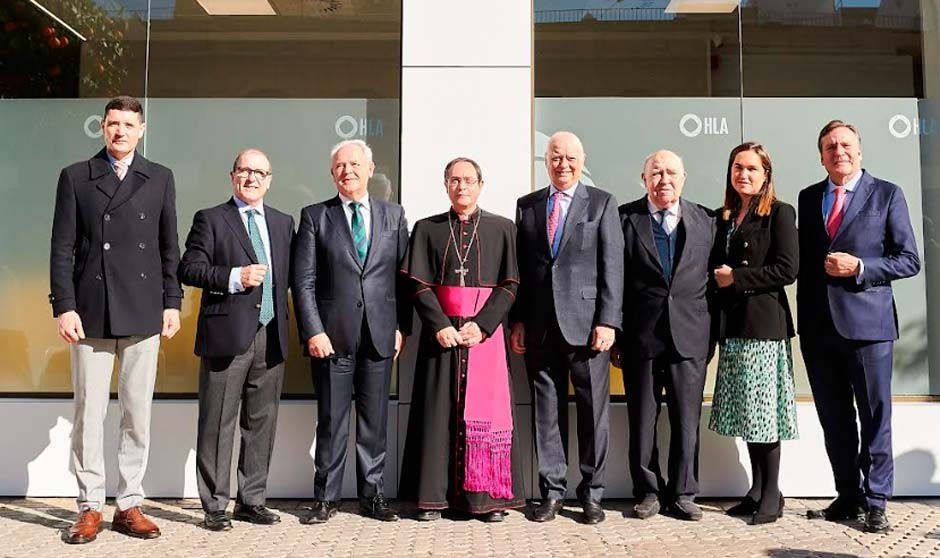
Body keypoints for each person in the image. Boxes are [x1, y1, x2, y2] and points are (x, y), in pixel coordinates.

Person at [49, 95, 182, 544]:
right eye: (113, 123)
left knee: (136, 412)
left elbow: (169, 247)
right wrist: (63, 305)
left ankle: (129, 504)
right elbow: (62, 248)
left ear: (141, 130)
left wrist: (172, 302)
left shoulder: (160, 177)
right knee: (88, 411)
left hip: (144, 308)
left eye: (128, 124)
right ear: (102, 128)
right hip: (90, 309)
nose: (120, 131)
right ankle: (89, 505)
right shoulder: (75, 176)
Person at [798, 120, 920, 533]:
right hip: (819, 329)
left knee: (874, 417)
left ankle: (877, 501)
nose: (839, 151)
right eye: (830, 146)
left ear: (859, 151)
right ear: (821, 156)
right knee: (834, 420)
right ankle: (848, 496)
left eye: (845, 144)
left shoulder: (887, 194)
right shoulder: (809, 197)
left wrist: (862, 267)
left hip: (869, 328)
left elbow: (909, 259)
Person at [399, 157, 526, 522]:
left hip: (482, 336)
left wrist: (484, 325)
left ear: (481, 185)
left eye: (468, 180)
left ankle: (484, 500)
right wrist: (438, 323)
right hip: (441, 335)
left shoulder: (503, 229)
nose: (462, 187)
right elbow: (417, 283)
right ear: (446, 186)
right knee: (436, 414)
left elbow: (510, 284)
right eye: (454, 180)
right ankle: (431, 499)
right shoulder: (428, 228)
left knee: (483, 415)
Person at [292, 139, 410, 524]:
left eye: (355, 164)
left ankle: (372, 496)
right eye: (340, 166)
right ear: (332, 173)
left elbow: (402, 280)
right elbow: (304, 281)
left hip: (379, 335)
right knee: (331, 421)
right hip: (331, 338)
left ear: (370, 169)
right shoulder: (315, 216)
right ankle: (325, 497)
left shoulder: (394, 216)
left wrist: (401, 328)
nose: (348, 171)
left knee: (374, 423)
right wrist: (313, 330)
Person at [178, 149, 295, 531]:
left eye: (260, 172)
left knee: (261, 422)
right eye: (245, 171)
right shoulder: (211, 219)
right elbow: (189, 269)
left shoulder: (282, 222)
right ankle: (214, 505)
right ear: (232, 176)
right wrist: (234, 277)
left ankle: (252, 500)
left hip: (271, 333)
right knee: (218, 421)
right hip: (226, 334)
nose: (252, 178)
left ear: (270, 179)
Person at [511, 131, 623, 525]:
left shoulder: (602, 203)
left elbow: (612, 266)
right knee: (547, 412)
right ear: (546, 160)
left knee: (593, 413)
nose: (563, 164)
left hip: (588, 327)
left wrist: (608, 320)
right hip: (540, 327)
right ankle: (552, 492)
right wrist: (519, 319)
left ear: (582, 159)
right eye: (556, 157)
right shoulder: (527, 206)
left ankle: (592, 494)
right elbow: (522, 269)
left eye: (570, 157)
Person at [614, 150, 715, 522]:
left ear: (684, 177)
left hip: (690, 335)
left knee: (687, 420)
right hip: (641, 337)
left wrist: (712, 335)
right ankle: (647, 491)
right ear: (644, 179)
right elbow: (615, 280)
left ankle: (684, 492)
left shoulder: (706, 220)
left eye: (671, 172)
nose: (664, 179)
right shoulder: (625, 218)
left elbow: (714, 286)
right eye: (656, 173)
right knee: (642, 419)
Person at [707, 142, 799, 525]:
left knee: (765, 416)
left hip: (763, 328)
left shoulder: (779, 213)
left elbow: (787, 269)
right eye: (737, 168)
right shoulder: (725, 217)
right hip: (734, 327)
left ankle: (772, 493)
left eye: (751, 169)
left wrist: (736, 278)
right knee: (747, 413)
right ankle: (756, 489)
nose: (743, 174)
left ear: (765, 175)